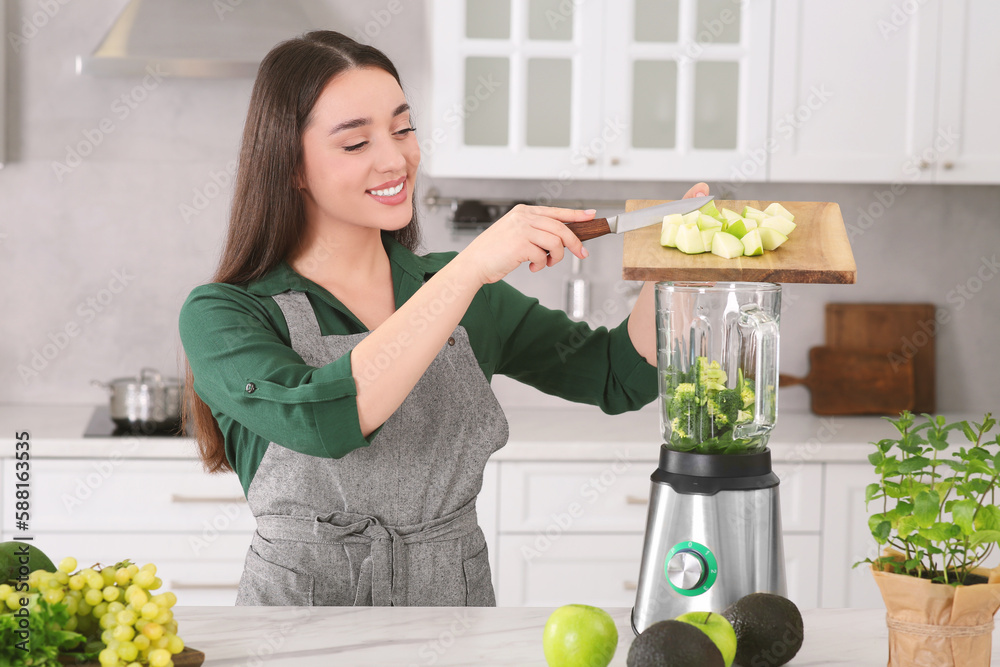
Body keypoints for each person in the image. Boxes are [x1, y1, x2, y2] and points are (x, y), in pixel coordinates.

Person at [178, 30, 709, 607]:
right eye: (356, 143)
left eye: (403, 129)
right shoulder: (224, 314)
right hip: (296, 622)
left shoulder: (460, 288)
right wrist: (471, 267)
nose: (396, 158)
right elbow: (324, 420)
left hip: (451, 612)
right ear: (291, 167)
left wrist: (678, 267)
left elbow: (614, 374)